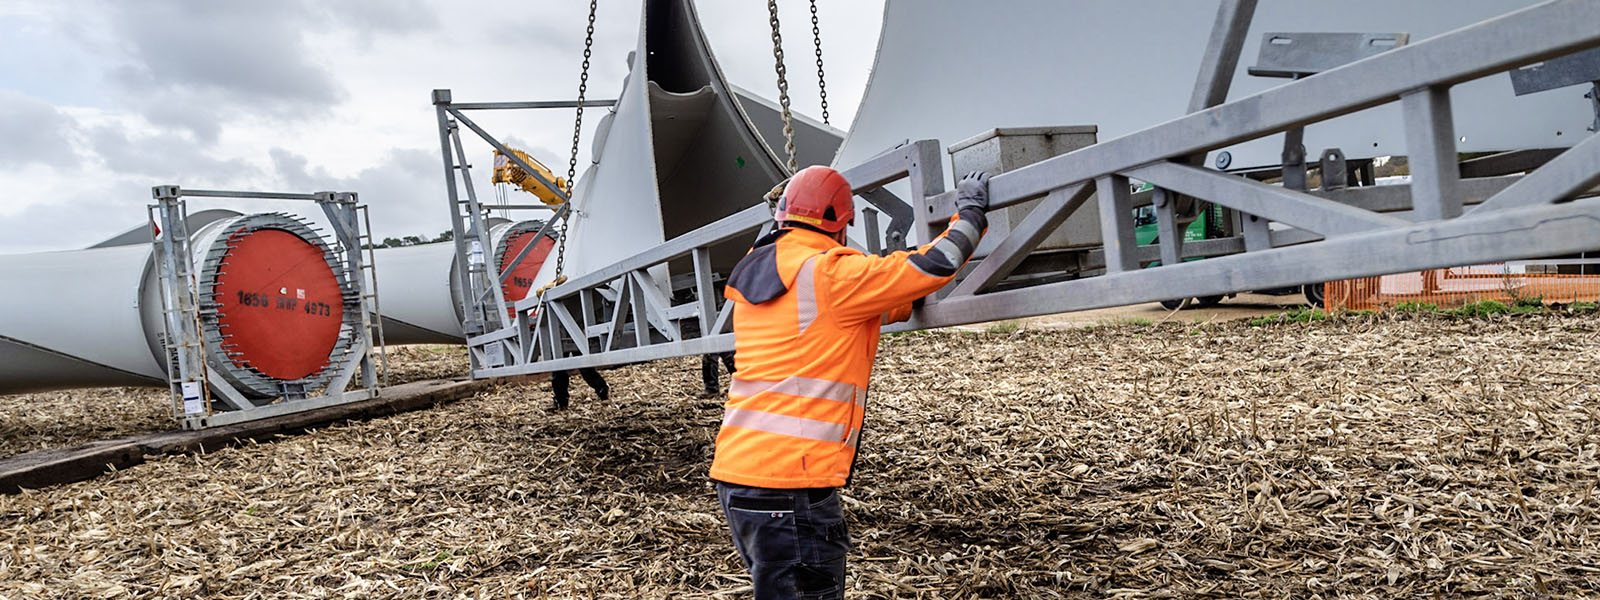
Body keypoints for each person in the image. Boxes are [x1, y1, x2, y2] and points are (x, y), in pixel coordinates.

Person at [709, 166, 990, 599]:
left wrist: (896, 295)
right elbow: (938, 262)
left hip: (740, 479)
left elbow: (848, 317)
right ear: (840, 223)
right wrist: (970, 212)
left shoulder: (765, 273)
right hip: (790, 485)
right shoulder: (831, 273)